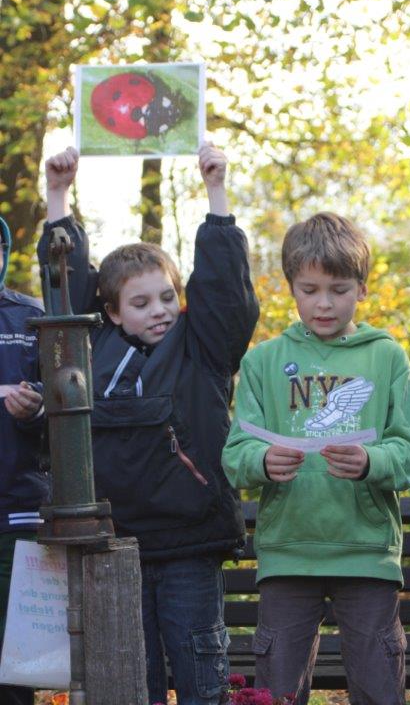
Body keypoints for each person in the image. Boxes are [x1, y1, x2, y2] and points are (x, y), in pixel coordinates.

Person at [40, 145, 259, 705]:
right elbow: (64, 286)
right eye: (140, 303)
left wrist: (216, 194)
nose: (159, 310)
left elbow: (226, 293)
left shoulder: (202, 347)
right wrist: (59, 196)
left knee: (199, 677)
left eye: (167, 297)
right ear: (112, 312)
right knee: (126, 680)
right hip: (115, 548)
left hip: (189, 544)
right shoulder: (90, 350)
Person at [222, 212, 410, 705]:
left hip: (366, 553)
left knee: (379, 687)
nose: (324, 303)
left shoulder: (386, 356)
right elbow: (236, 452)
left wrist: (371, 462)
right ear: (291, 287)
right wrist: (264, 461)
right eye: (310, 289)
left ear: (362, 288)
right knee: (278, 692)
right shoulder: (263, 361)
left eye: (339, 289)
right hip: (289, 549)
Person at [0, 216, 49, 705]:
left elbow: (73, 417)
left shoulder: (29, 318)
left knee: (14, 665)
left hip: (16, 515)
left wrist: (36, 410)